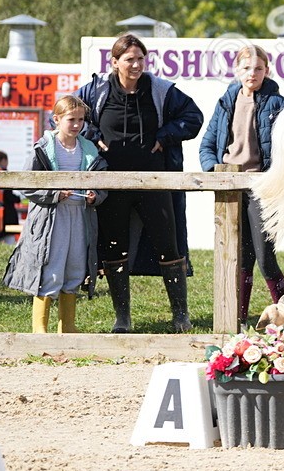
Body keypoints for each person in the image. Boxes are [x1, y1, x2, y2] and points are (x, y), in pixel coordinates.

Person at [77, 33, 204, 333]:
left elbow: (193, 117)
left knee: (168, 245)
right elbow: (72, 116)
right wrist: (93, 135)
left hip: (154, 181)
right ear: (115, 62)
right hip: (114, 182)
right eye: (129, 59)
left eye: (140, 59)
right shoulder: (96, 90)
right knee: (114, 246)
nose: (136, 65)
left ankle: (181, 316)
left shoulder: (160, 90)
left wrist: (165, 136)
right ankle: (123, 319)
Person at [199, 45, 284, 324]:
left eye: (258, 68)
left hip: (262, 187)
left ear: (267, 70)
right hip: (230, 185)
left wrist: (276, 176)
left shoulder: (278, 104)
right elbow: (207, 145)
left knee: (265, 257)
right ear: (237, 70)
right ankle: (238, 319)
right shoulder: (226, 101)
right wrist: (214, 170)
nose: (252, 73)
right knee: (238, 258)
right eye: (247, 68)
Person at [2, 96, 107, 333]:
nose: (77, 124)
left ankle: (67, 327)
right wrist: (54, 195)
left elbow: (103, 185)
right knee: (49, 267)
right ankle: (40, 330)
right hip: (50, 219)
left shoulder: (90, 149)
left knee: (75, 267)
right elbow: (26, 185)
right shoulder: (41, 149)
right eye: (71, 119)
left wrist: (95, 196)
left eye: (81, 119)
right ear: (57, 119)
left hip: (80, 216)